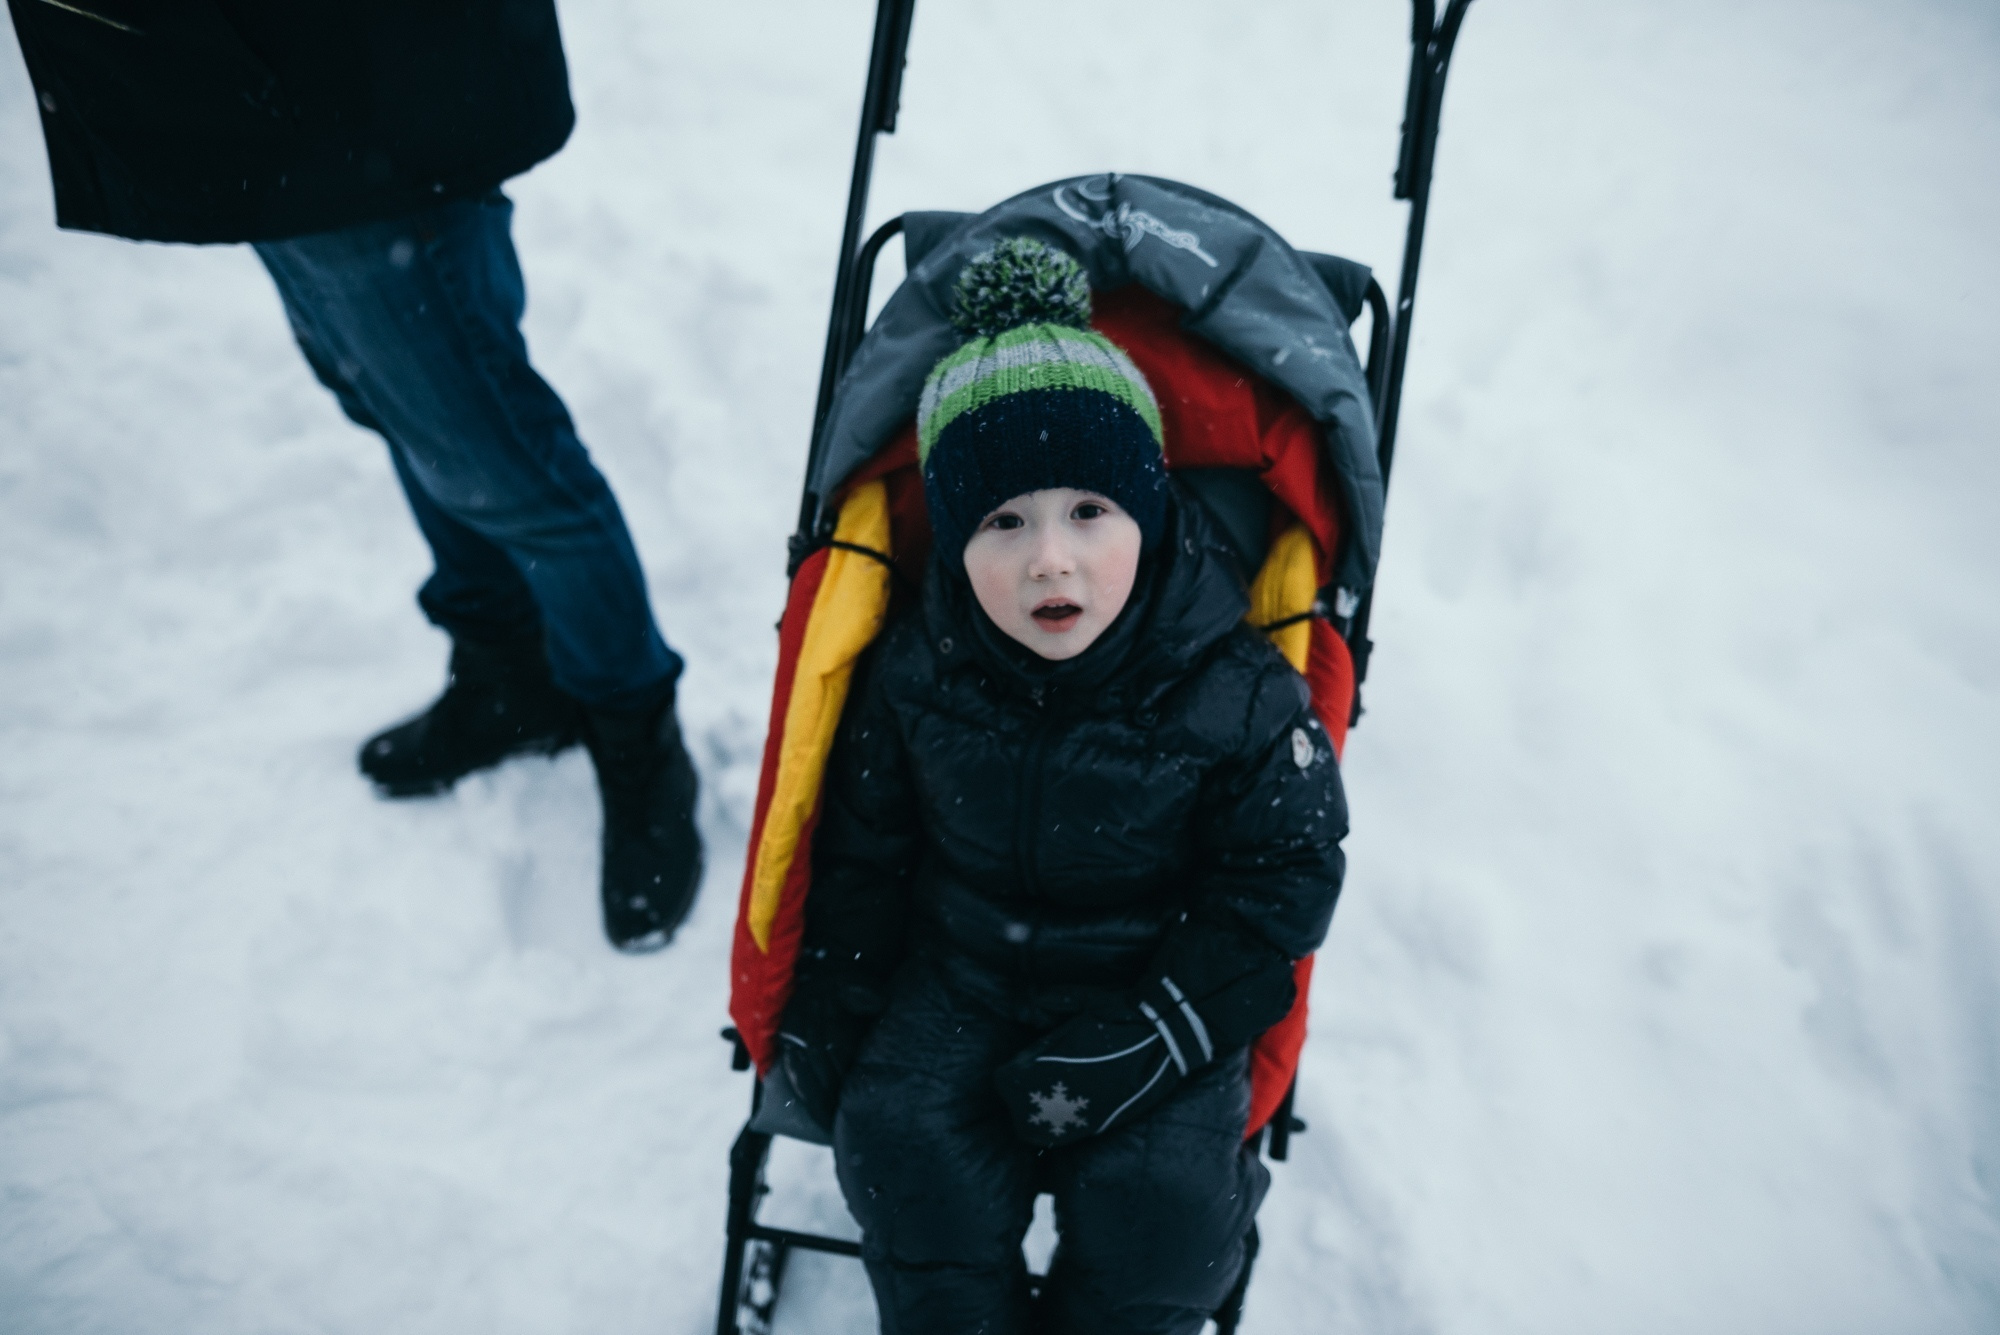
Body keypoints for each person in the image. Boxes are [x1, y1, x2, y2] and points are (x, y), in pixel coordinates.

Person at [7, 0, 700, 951]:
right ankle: (509, 668)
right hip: (232, 86)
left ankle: (635, 734)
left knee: (495, 452)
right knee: (397, 403)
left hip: (340, 83)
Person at [776, 240, 1348, 1334]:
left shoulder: (1235, 690)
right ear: (950, 543)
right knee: (900, 1153)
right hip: (957, 978)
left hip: (1151, 987)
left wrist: (1165, 1028)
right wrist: (834, 1001)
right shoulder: (913, 673)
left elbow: (1279, 882)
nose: (1050, 560)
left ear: (1151, 511)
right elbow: (863, 853)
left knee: (1165, 1212)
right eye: (1001, 521)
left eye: (1088, 512)